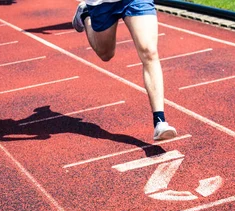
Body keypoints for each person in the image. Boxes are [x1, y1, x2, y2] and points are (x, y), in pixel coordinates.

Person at [72, 0, 177, 141]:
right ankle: (85, 15)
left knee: (149, 52)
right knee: (106, 53)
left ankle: (160, 121)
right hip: (101, 3)